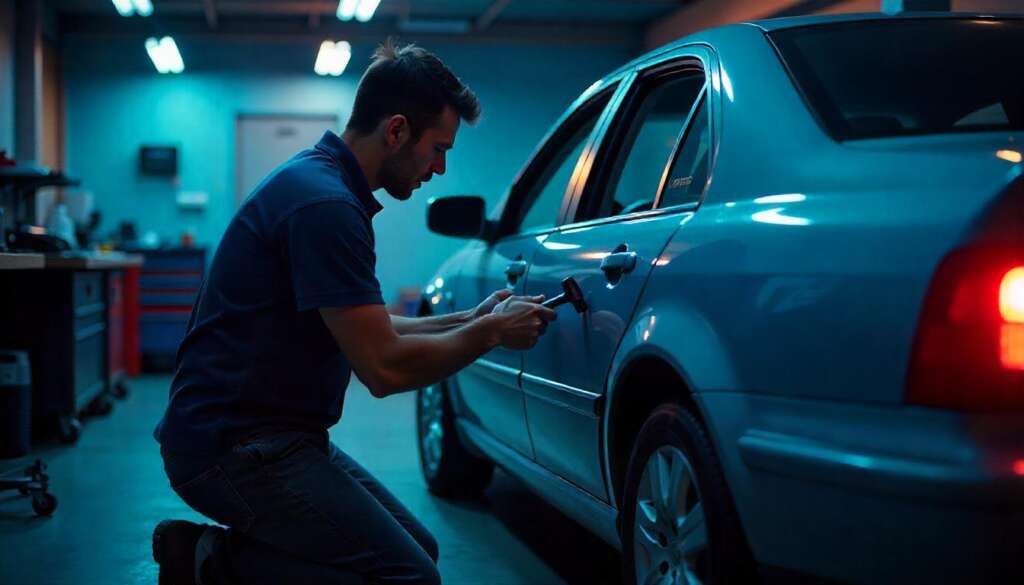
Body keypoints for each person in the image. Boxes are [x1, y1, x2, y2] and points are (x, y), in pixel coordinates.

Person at [151, 40, 556, 585]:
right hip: (235, 449)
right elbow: (384, 369)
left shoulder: (322, 183)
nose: (438, 168)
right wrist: (490, 336)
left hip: (265, 437)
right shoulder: (326, 207)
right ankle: (213, 563)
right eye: (438, 149)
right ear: (395, 131)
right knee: (407, 577)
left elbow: (374, 328)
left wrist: (473, 319)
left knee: (421, 548)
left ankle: (211, 556)